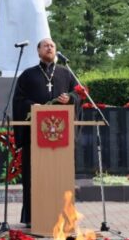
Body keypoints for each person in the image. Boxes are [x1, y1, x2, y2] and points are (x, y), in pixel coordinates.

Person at [12, 38, 81, 227]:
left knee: (60, 176)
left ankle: (63, 215)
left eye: (52, 46)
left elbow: (79, 95)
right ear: (38, 51)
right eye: (46, 45)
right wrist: (32, 106)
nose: (49, 48)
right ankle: (32, 217)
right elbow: (18, 100)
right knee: (33, 176)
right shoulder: (28, 75)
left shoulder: (66, 74)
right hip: (35, 137)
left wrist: (71, 99)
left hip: (61, 138)